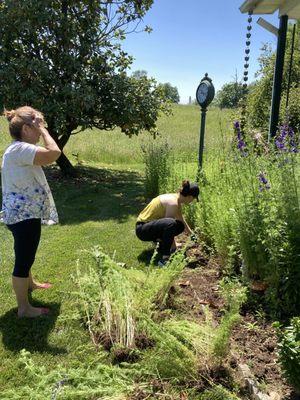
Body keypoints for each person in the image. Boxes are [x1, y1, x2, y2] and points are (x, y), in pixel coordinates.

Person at [1, 106, 61, 317]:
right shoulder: (20, 149)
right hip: (23, 215)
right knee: (24, 259)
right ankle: (24, 308)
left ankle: (31, 283)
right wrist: (45, 131)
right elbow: (54, 153)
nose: (40, 131)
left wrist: (40, 127)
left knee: (25, 253)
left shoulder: (17, 149)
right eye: (37, 127)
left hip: (20, 213)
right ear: (26, 128)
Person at [136, 180, 199, 266]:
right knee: (171, 224)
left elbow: (181, 220)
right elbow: (168, 226)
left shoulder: (175, 199)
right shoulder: (173, 203)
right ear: (190, 197)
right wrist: (174, 248)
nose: (193, 201)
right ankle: (164, 259)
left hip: (148, 226)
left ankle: (162, 246)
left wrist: (192, 235)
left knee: (180, 225)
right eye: (194, 198)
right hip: (142, 230)